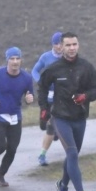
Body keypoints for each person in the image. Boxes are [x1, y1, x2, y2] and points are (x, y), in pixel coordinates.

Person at [38, 31, 96, 191]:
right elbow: (42, 87)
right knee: (72, 153)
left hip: (80, 118)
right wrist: (44, 108)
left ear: (78, 45)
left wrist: (85, 96)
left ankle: (63, 185)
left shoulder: (86, 67)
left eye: (74, 44)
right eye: (68, 45)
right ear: (61, 47)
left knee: (72, 155)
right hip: (60, 117)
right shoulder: (54, 68)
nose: (72, 48)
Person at [0, 47, 35, 187]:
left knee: (12, 149)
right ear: (7, 60)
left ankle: (0, 176)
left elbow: (29, 94)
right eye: (12, 59)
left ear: (21, 60)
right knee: (0, 146)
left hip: (15, 117)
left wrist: (29, 99)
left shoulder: (27, 78)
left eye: (18, 59)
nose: (15, 62)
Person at [32, 31, 63, 166]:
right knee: (44, 125)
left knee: (51, 126)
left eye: (61, 43)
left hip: (62, 97)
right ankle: (54, 131)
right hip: (47, 97)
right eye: (56, 44)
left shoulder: (68, 58)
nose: (59, 46)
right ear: (53, 45)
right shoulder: (46, 57)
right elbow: (34, 71)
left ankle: (42, 155)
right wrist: (41, 82)